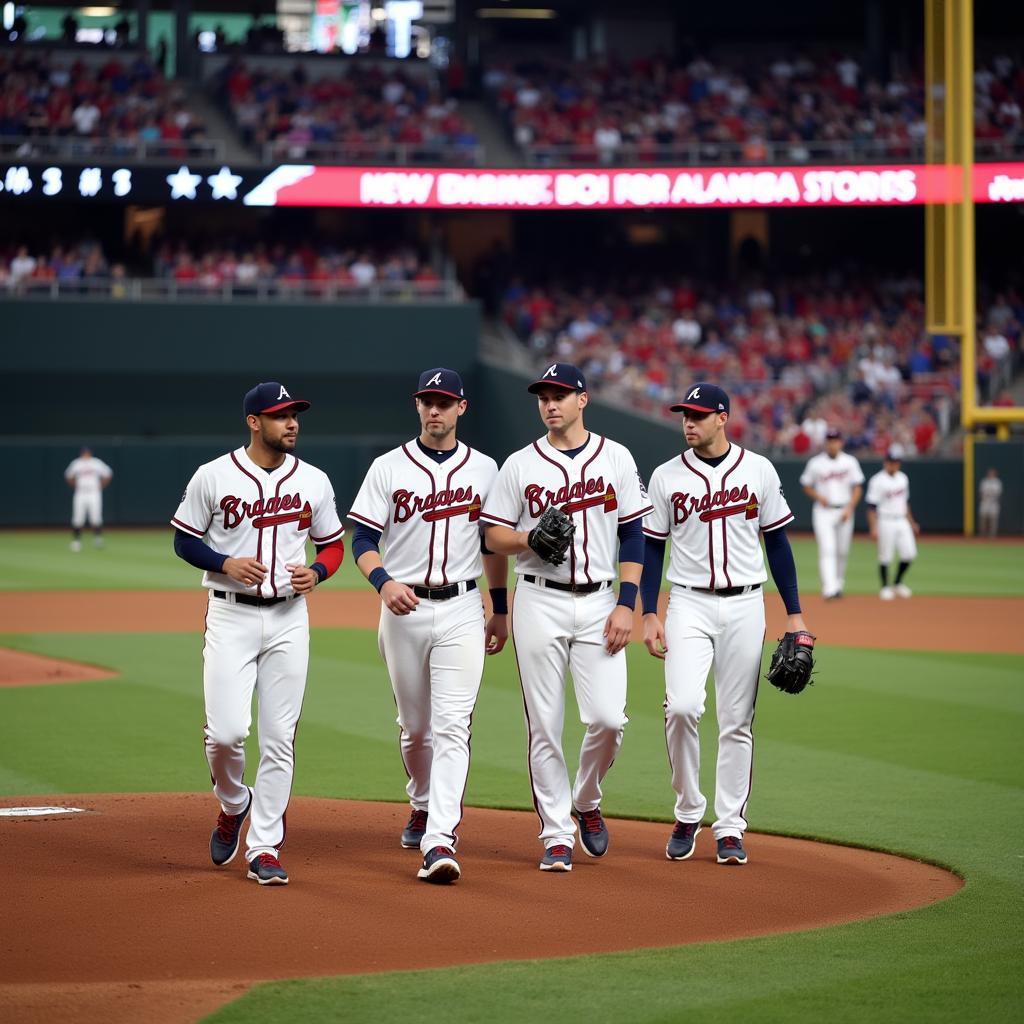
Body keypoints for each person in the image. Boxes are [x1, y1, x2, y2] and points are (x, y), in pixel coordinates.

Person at [170, 382, 345, 886]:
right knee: (225, 734)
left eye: (294, 415)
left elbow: (331, 545)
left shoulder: (314, 480)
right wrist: (224, 561)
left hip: (290, 618)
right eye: (279, 416)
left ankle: (264, 847)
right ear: (253, 422)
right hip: (231, 615)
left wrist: (320, 572)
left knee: (279, 739)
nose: (291, 423)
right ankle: (232, 802)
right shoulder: (214, 475)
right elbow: (184, 540)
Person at [480, 362, 652, 872]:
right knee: (545, 726)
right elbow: (493, 536)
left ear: (583, 399)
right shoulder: (519, 465)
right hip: (539, 599)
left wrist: (627, 602)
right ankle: (556, 833)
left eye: (559, 395)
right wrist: (528, 539)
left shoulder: (616, 458)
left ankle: (586, 799)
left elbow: (634, 534)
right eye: (542, 396)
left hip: (602, 601)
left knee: (608, 719)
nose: (549, 403)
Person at [347, 368, 508, 885]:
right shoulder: (387, 468)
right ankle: (420, 802)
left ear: (462, 408)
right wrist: (383, 582)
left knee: (452, 727)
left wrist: (499, 607)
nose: (434, 410)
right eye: (426, 401)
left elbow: (493, 544)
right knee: (416, 729)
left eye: (444, 402)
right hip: (404, 607)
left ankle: (440, 837)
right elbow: (362, 540)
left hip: (463, 608)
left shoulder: (487, 470)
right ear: (417, 407)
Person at [641, 382, 811, 866]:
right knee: (682, 708)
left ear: (722, 418)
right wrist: (649, 612)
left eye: (697, 415)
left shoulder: (758, 469)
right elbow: (653, 546)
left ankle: (730, 826)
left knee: (737, 722)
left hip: (745, 604)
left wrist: (794, 612)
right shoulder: (666, 476)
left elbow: (777, 543)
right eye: (683, 415)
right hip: (689, 605)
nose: (688, 422)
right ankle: (688, 809)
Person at [799, 427, 864, 599]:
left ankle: (838, 583)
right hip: (823, 512)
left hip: (844, 509)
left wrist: (850, 507)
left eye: (835, 440)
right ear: (825, 443)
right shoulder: (816, 463)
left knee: (842, 550)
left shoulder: (850, 462)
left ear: (840, 442)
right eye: (829, 440)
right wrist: (818, 496)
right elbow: (805, 484)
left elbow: (857, 486)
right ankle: (829, 588)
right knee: (827, 549)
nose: (832, 443)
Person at [865, 447, 919, 600]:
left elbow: (905, 502)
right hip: (885, 520)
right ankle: (884, 587)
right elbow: (871, 507)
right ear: (885, 463)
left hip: (902, 519)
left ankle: (897, 583)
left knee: (909, 554)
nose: (894, 465)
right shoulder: (877, 480)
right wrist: (873, 527)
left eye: (896, 462)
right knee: (885, 556)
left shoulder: (903, 478)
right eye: (891, 462)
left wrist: (912, 521)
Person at [64, 446, 113, 551]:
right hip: (81, 492)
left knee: (96, 517)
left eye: (87, 453)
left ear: (90, 453)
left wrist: (102, 485)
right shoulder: (77, 463)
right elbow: (68, 475)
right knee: (78, 518)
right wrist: (74, 485)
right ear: (81, 453)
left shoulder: (96, 463)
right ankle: (76, 541)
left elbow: (108, 473)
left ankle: (98, 539)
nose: (86, 455)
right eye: (84, 453)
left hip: (93, 492)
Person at [978, 468, 1003, 538]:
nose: (990, 474)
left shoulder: (997, 482)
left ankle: (992, 535)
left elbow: (998, 493)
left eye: (992, 473)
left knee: (993, 520)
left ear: (995, 474)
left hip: (993, 503)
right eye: (989, 473)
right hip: (985, 502)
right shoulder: (984, 482)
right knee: (983, 519)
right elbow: (981, 492)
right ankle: (982, 534)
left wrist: (991, 494)